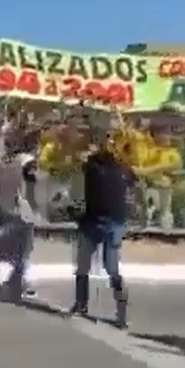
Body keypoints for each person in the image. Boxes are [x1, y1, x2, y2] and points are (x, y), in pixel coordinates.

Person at [69, 135, 133, 329]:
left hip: (105, 220)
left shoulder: (99, 167)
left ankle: (93, 306)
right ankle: (87, 305)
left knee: (103, 266)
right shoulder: (112, 167)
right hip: (102, 219)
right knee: (95, 265)